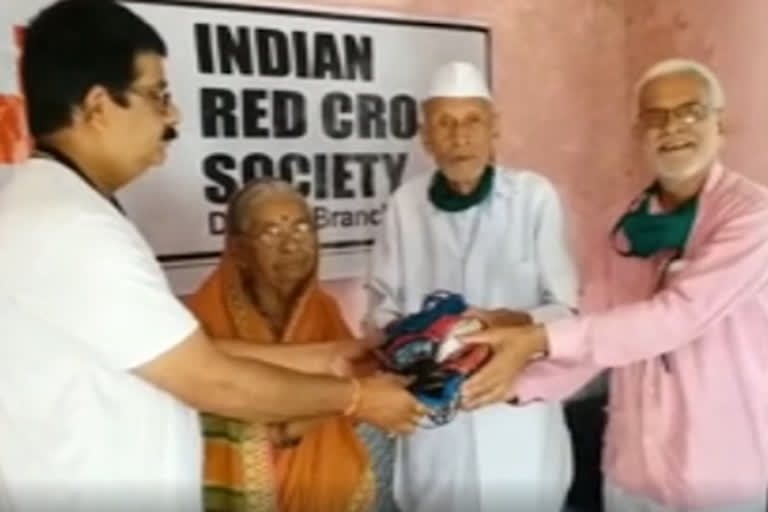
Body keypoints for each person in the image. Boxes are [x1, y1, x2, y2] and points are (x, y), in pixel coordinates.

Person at [0, 1, 424, 511]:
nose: (173, 116)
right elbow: (208, 377)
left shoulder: (57, 207)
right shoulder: (69, 227)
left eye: (302, 225)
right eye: (157, 96)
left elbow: (176, 350)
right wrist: (359, 399)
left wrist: (328, 356)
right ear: (97, 105)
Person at [462, 58, 768, 512]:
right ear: (638, 134)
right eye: (655, 117)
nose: (672, 128)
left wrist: (535, 338)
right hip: (632, 475)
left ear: (719, 125)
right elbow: (595, 332)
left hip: (722, 477)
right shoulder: (624, 228)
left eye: (690, 112)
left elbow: (675, 318)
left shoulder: (751, 217)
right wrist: (506, 384)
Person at [365, 60, 580, 512]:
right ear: (426, 136)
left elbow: (565, 309)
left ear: (493, 128)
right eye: (444, 123)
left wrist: (507, 325)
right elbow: (381, 308)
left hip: (517, 419)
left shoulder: (533, 197)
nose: (459, 137)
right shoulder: (405, 206)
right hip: (435, 423)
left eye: (471, 121)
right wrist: (419, 337)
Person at [186, 178, 398, 512]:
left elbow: (351, 409)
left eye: (302, 228)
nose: (291, 246)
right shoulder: (201, 320)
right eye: (271, 233)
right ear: (239, 250)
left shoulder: (325, 311)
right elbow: (212, 422)